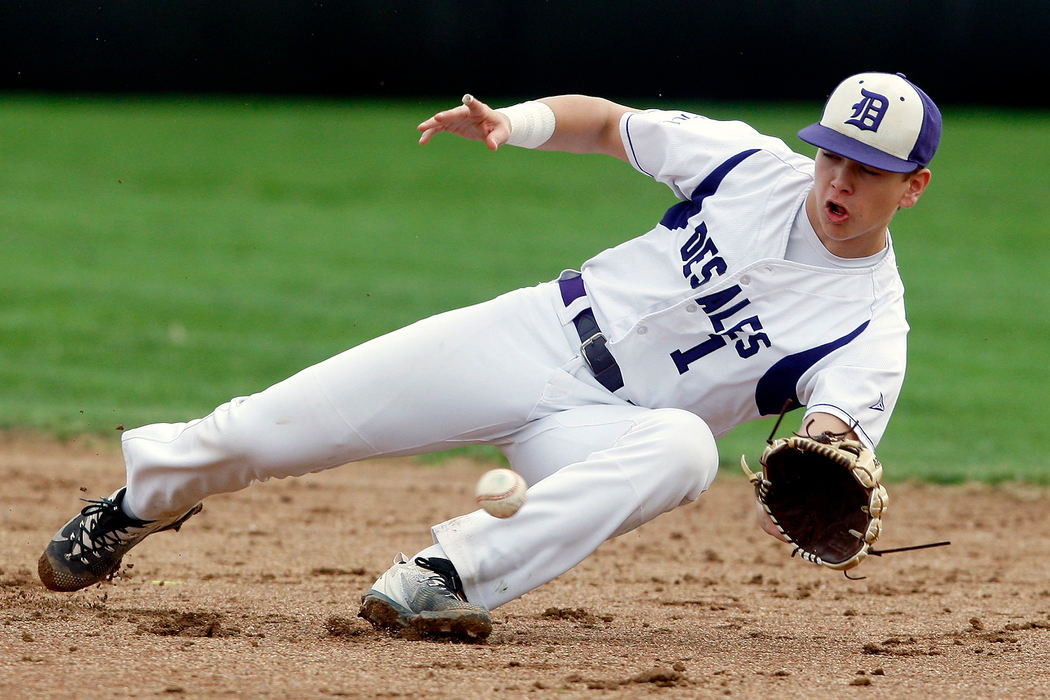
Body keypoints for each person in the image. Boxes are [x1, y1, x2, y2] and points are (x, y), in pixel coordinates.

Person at [39, 72, 940, 642]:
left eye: (867, 169)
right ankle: (135, 504)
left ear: (914, 186)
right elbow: (612, 125)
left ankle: (448, 577)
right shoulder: (750, 164)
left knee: (686, 451)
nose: (839, 182)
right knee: (273, 429)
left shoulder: (873, 327)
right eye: (833, 156)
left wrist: (825, 451)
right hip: (536, 333)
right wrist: (518, 120)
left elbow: (836, 429)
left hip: (609, 430)